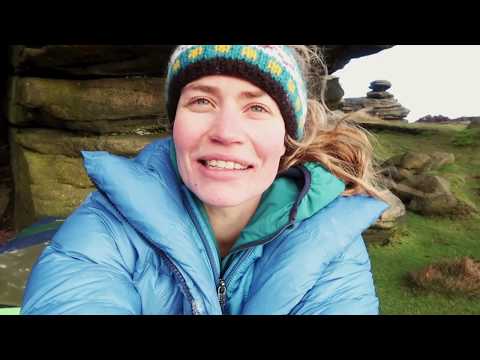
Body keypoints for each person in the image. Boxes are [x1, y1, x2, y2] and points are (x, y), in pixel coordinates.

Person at [20, 45, 388, 315]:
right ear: (174, 125)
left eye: (256, 107)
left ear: (286, 138)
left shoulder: (331, 247)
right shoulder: (104, 228)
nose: (226, 132)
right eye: (201, 102)